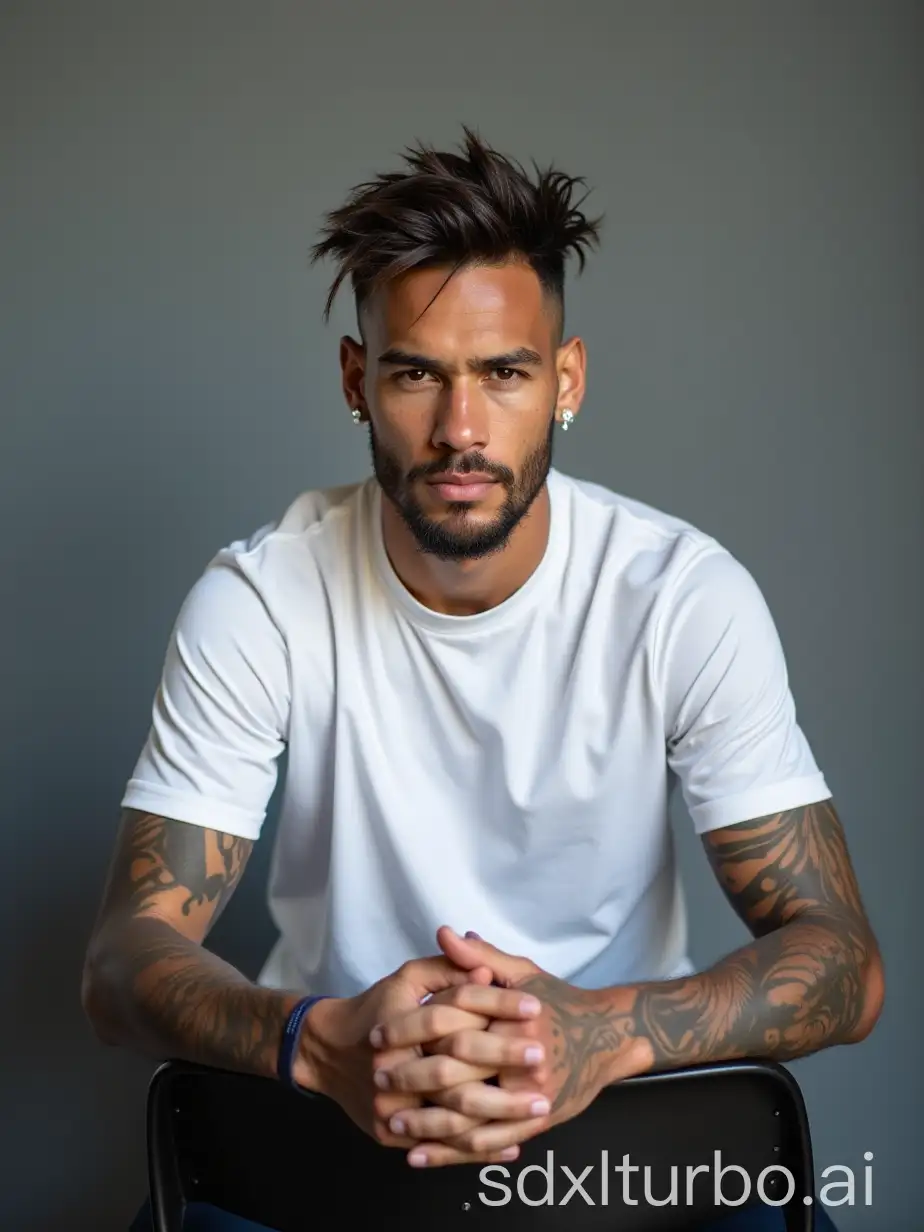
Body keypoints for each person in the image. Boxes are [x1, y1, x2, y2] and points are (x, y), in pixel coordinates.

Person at [82, 129, 882, 1231]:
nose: (461, 431)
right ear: (359, 381)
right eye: (417, 373)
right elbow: (121, 956)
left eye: (503, 373)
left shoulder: (681, 596)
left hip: (626, 1160)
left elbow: (843, 958)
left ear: (565, 380)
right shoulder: (262, 599)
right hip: (327, 1149)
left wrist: (603, 1028)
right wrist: (317, 1037)